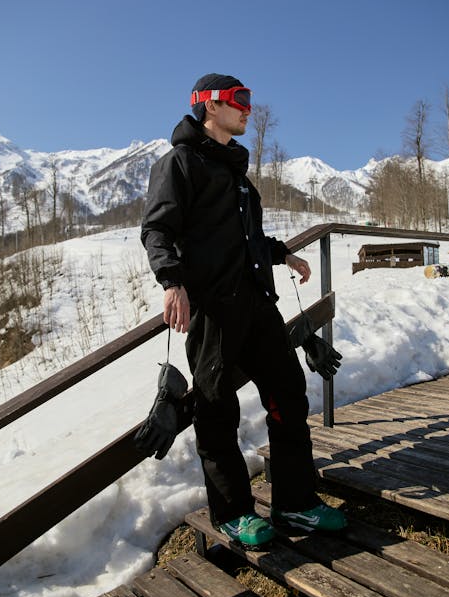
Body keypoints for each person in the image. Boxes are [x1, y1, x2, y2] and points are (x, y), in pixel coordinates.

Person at [141, 73, 346, 548]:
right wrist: (172, 282)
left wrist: (282, 253)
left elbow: (242, 237)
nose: (248, 110)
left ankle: (295, 504)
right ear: (209, 106)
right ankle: (233, 513)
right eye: (240, 101)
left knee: (289, 395)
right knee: (216, 410)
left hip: (257, 304)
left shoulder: (234, 172)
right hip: (212, 311)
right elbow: (156, 230)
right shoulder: (180, 164)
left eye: (249, 101)